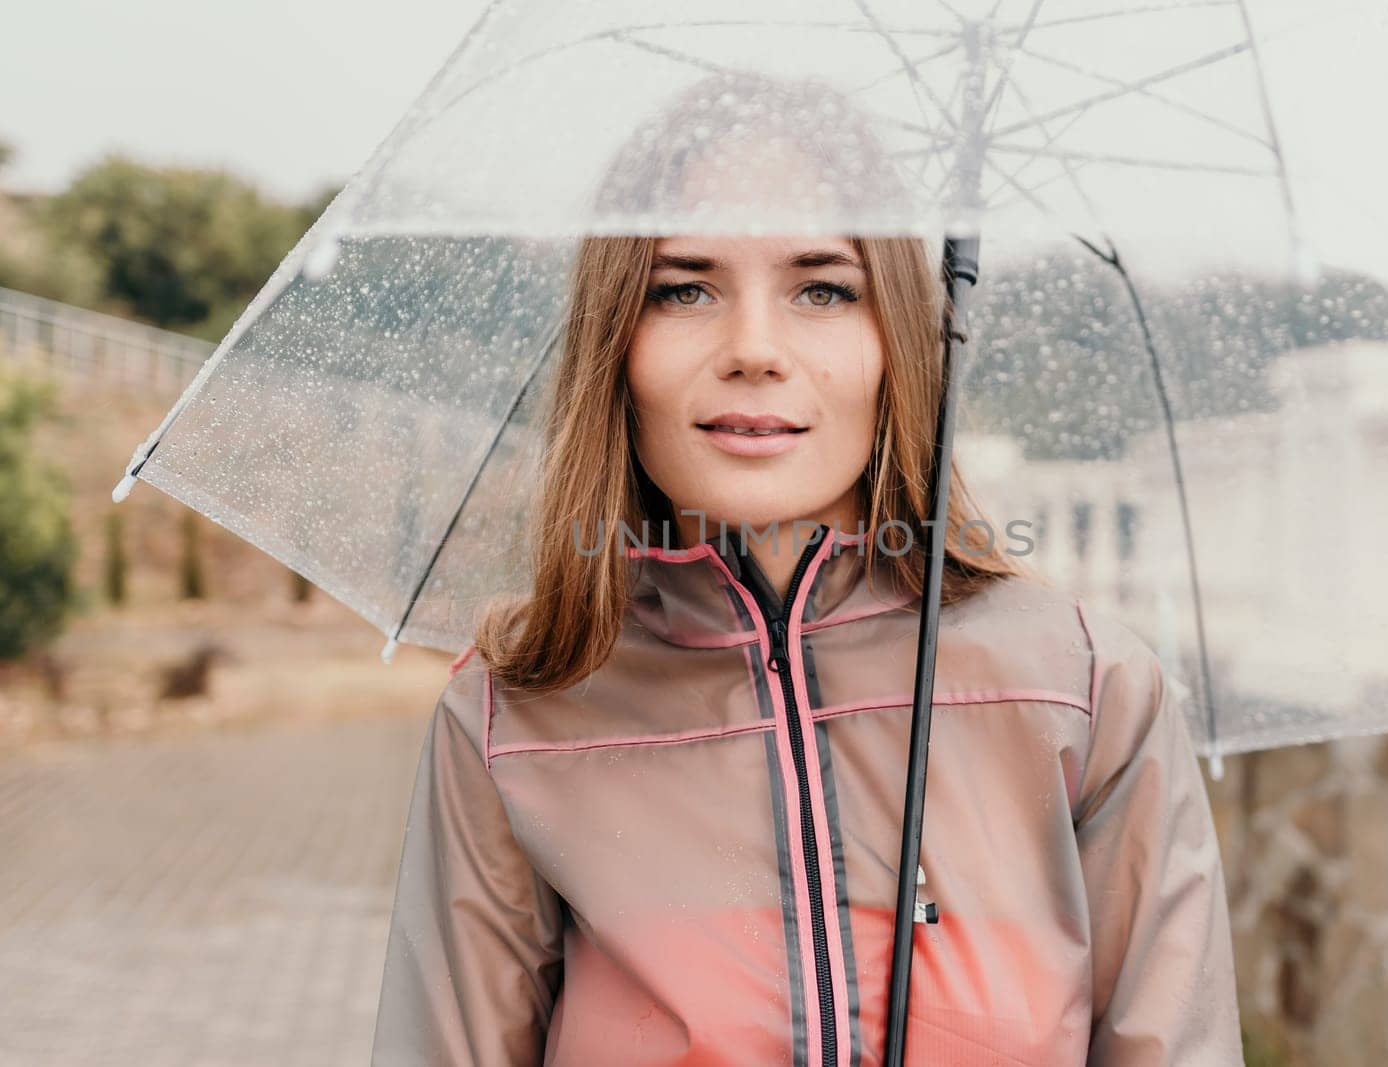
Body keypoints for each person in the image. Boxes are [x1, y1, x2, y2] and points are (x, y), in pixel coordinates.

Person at [371, 71, 1243, 1066]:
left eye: (822, 288)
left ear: (899, 343)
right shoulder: (510, 717)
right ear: (617, 340)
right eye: (683, 288)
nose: (753, 348)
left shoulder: (1086, 690)